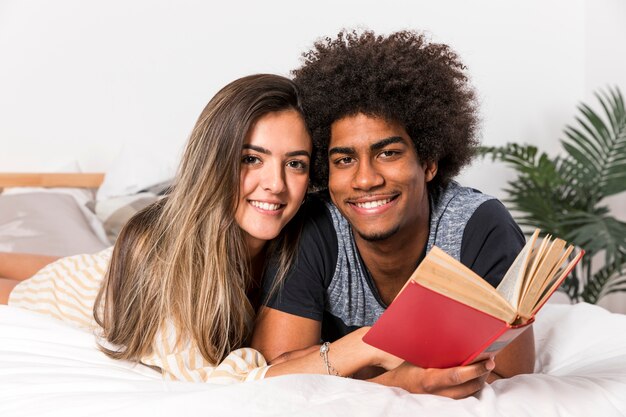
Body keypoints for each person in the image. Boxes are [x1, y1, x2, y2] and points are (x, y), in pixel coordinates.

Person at [253, 30, 535, 393]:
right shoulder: (316, 226)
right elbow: (271, 379)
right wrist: (398, 370)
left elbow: (510, 381)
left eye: (388, 153)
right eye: (344, 159)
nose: (366, 179)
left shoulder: (479, 228)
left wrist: (343, 363)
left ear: (429, 161)